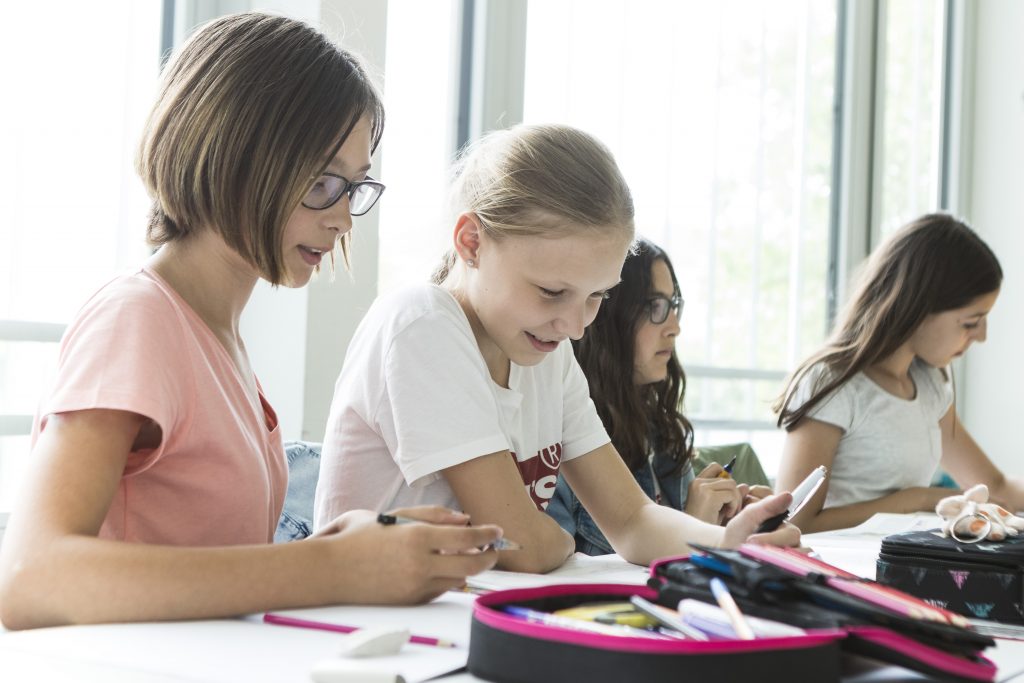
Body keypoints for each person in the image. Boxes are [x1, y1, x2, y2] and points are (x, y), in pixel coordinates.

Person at [0, 12, 501, 631]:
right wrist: (332, 568)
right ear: (235, 155)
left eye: (355, 187)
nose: (344, 219)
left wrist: (339, 554)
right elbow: (31, 578)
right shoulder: (137, 319)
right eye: (324, 182)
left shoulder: (220, 340)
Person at [314, 124, 800, 574]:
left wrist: (726, 542)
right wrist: (558, 540)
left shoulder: (546, 350)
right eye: (550, 292)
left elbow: (632, 522)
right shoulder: (422, 323)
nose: (574, 325)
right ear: (471, 242)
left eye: (597, 296)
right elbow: (519, 544)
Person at [774, 213, 1024, 533]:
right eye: (970, 322)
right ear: (919, 307)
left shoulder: (929, 384)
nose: (982, 336)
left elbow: (993, 484)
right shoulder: (831, 384)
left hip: (905, 560)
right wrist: (914, 500)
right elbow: (794, 520)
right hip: (837, 568)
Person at [546, 238, 772, 555]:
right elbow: (559, 583)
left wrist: (733, 526)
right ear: (607, 318)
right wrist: (696, 531)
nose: (675, 327)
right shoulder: (558, 442)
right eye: (655, 307)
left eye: (673, 305)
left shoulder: (660, 431)